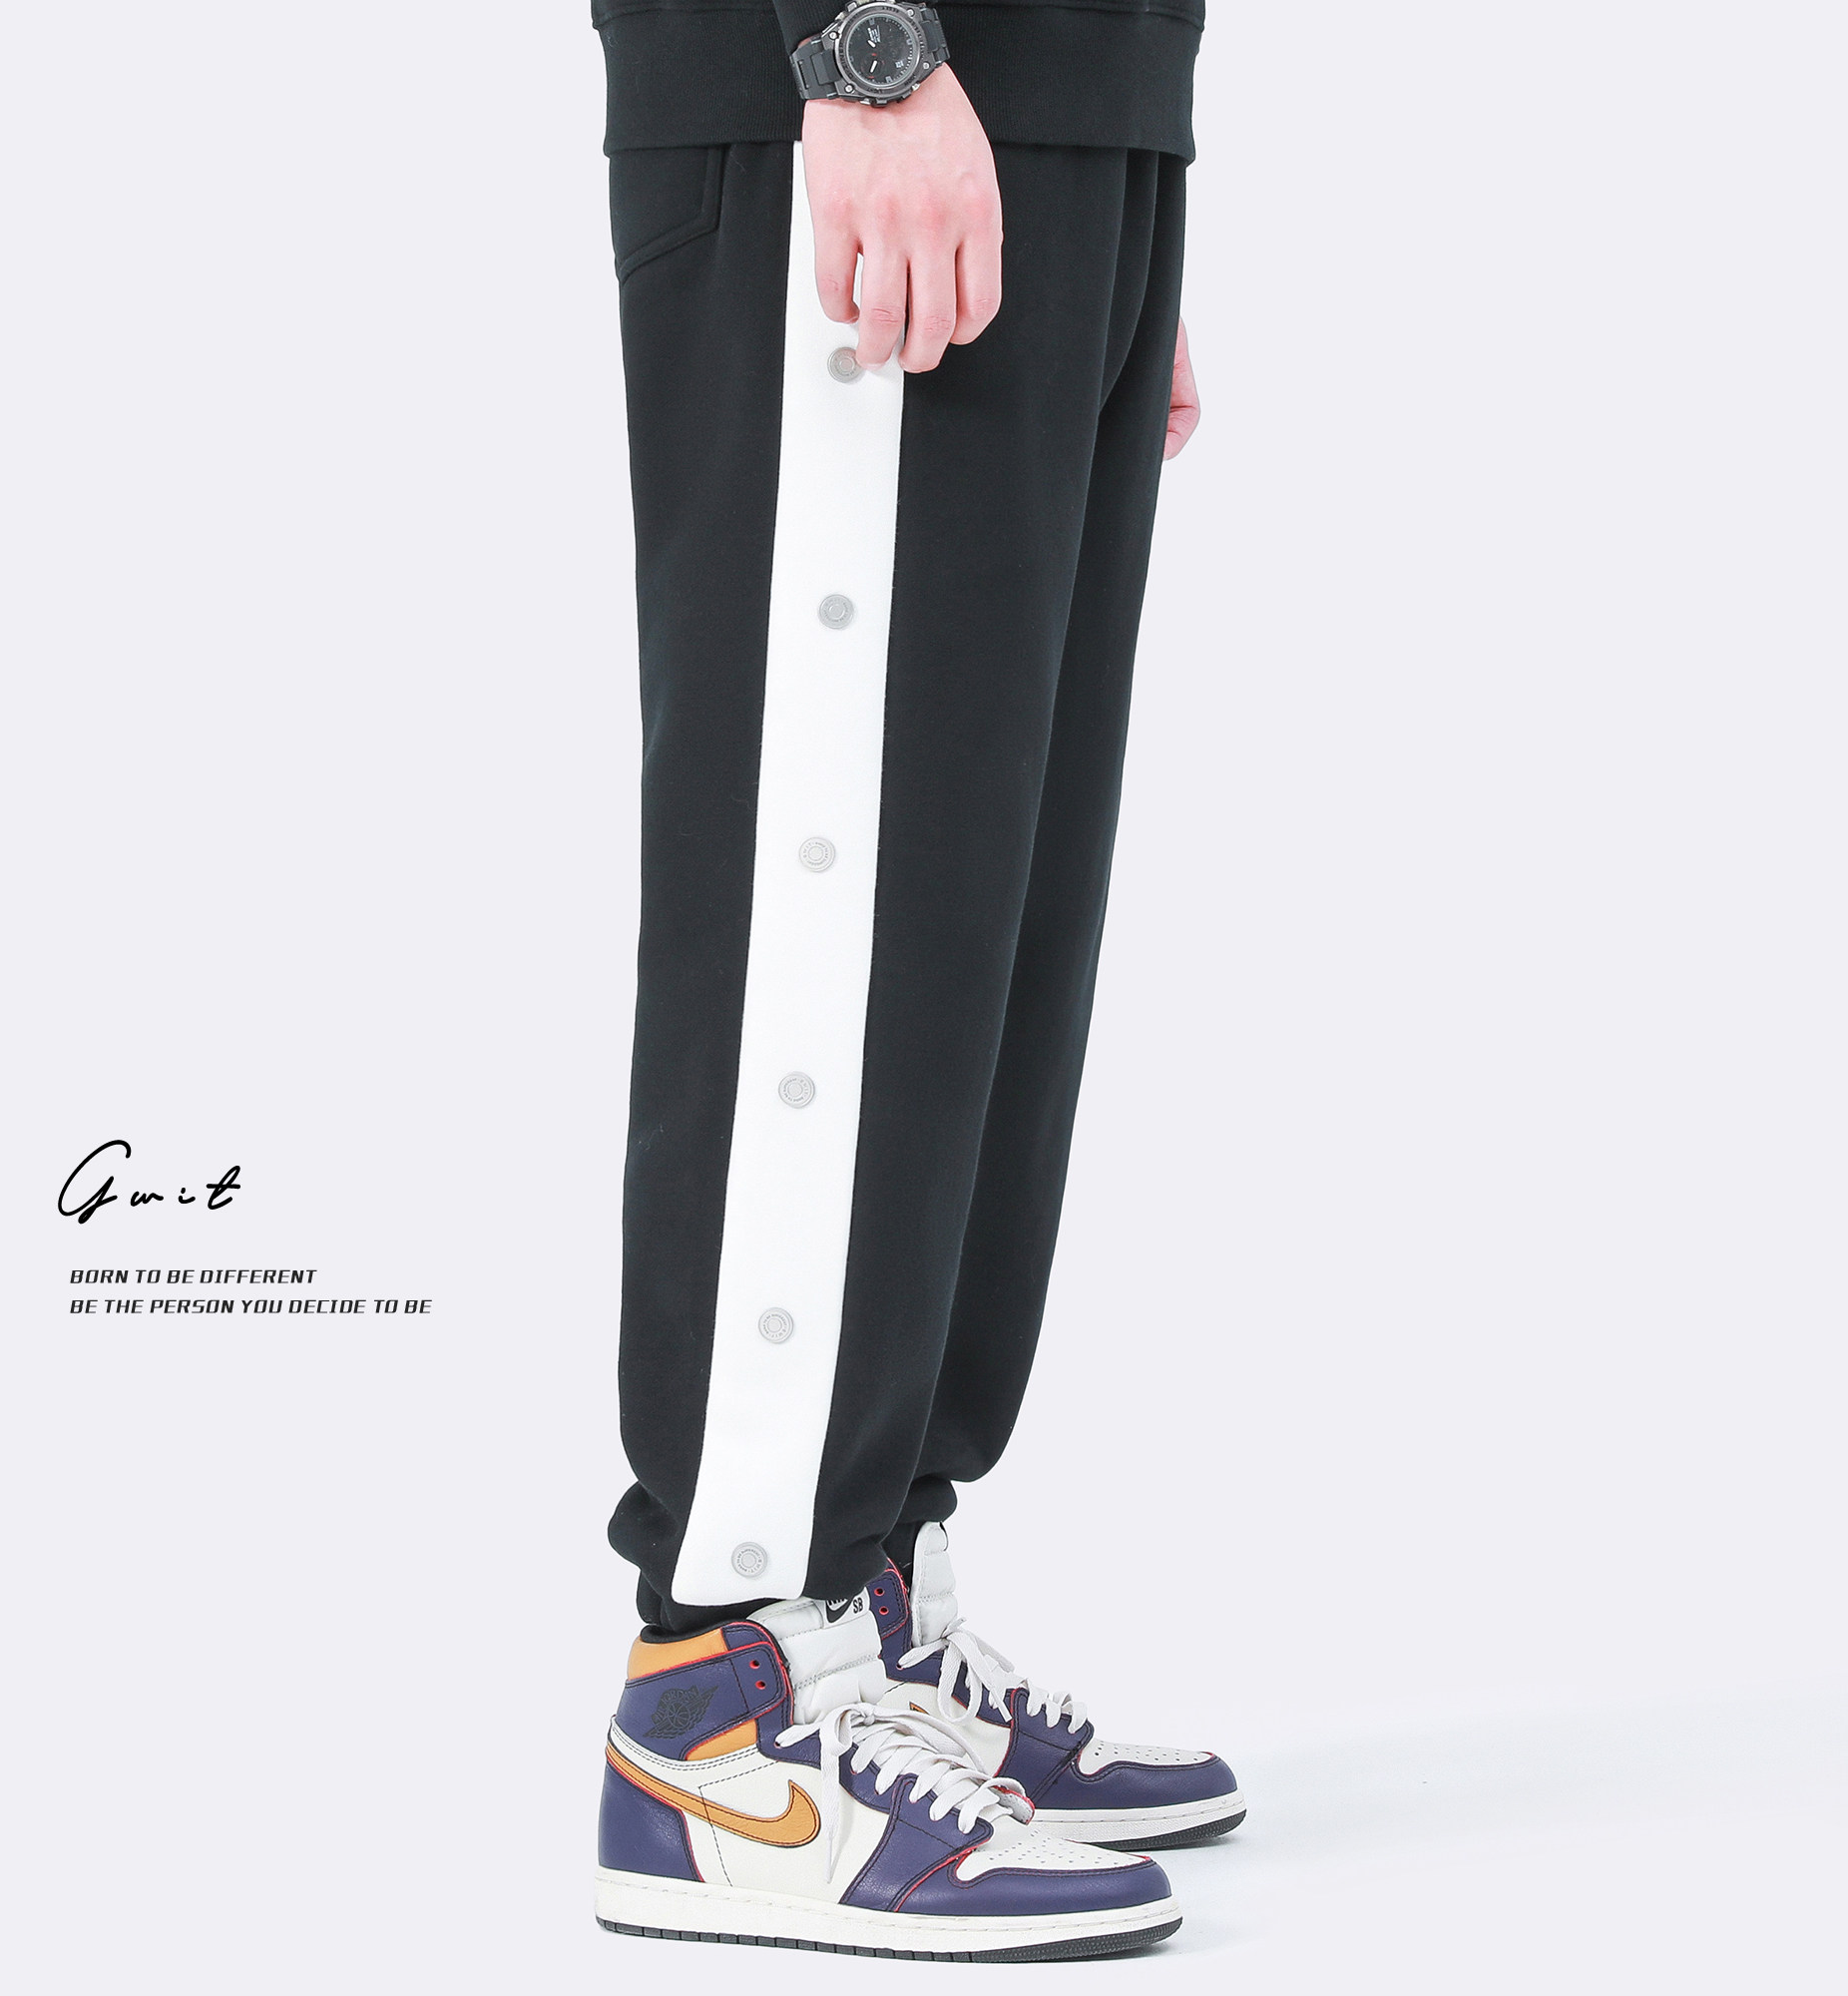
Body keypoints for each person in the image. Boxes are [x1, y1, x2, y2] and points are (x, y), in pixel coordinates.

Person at [589, 0, 1236, 1959]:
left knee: (974, 926)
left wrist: (1113, 181)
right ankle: (728, 1700)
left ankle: (866, 1603)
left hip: (1051, 115)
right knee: (833, 891)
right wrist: (858, 50)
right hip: (868, 79)